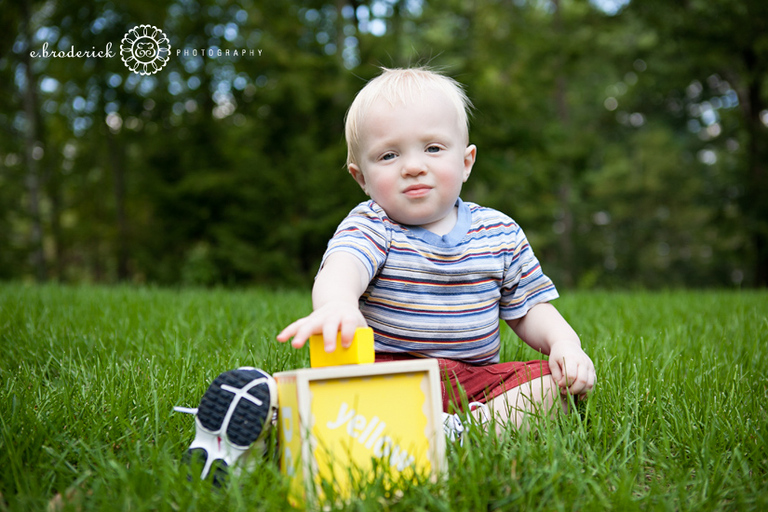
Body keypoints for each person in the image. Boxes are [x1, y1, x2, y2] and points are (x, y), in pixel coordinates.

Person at [277, 67, 596, 433]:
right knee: (333, 389)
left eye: (433, 148)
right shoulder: (373, 224)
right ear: (361, 177)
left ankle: (462, 433)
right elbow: (343, 268)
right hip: (387, 376)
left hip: (474, 381)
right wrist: (338, 305)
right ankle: (274, 408)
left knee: (557, 385)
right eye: (389, 155)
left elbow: (529, 310)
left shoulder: (499, 233)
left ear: (466, 162)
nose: (413, 167)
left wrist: (564, 343)